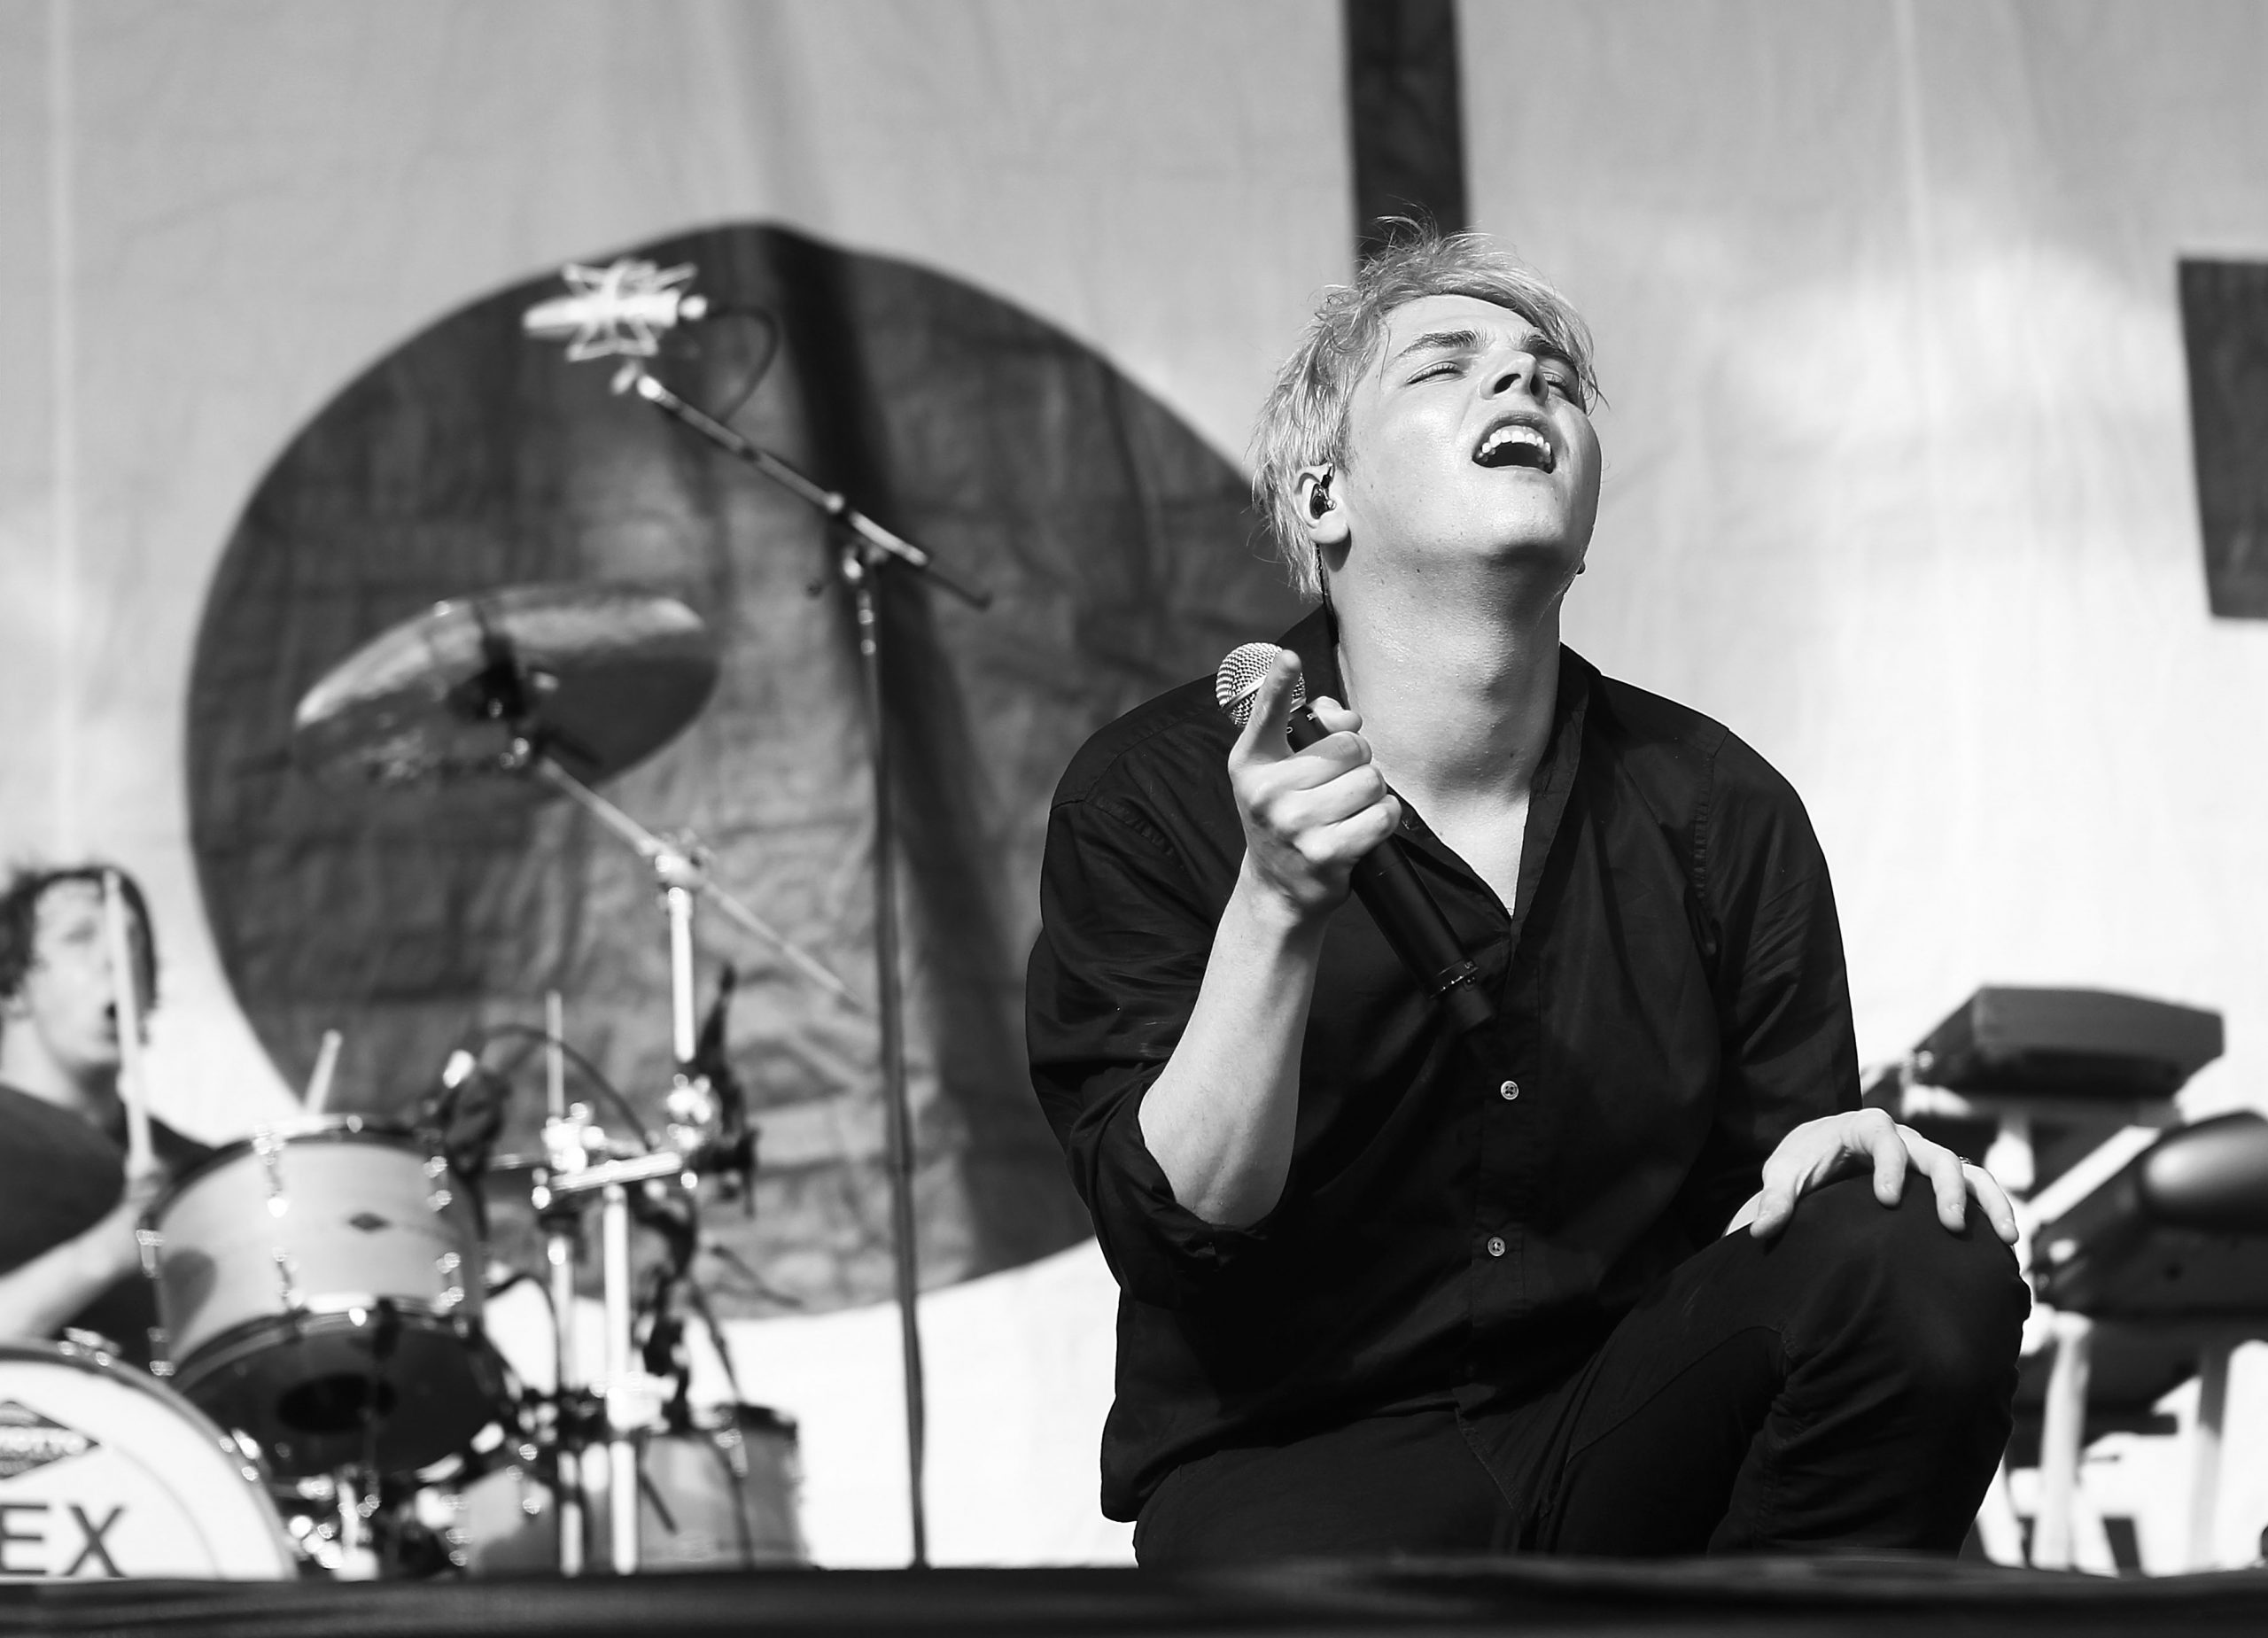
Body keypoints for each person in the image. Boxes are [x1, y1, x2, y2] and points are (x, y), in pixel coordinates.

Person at [1026, 231, 2029, 1561]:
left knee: (1914, 1250)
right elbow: (1176, 1225)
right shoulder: (1152, 795)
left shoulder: (1718, 809)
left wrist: (1858, 1176)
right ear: (1323, 496)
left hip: (1627, 1437)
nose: (1521, 386)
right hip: (1299, 1466)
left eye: (1553, 378)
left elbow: (1779, 1220)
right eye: (1446, 367)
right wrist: (1274, 903)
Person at [0, 866, 205, 1364]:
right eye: (78, 937)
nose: (117, 957)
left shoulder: (194, 1174)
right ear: (13, 988)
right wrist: (102, 1254)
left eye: (132, 940)